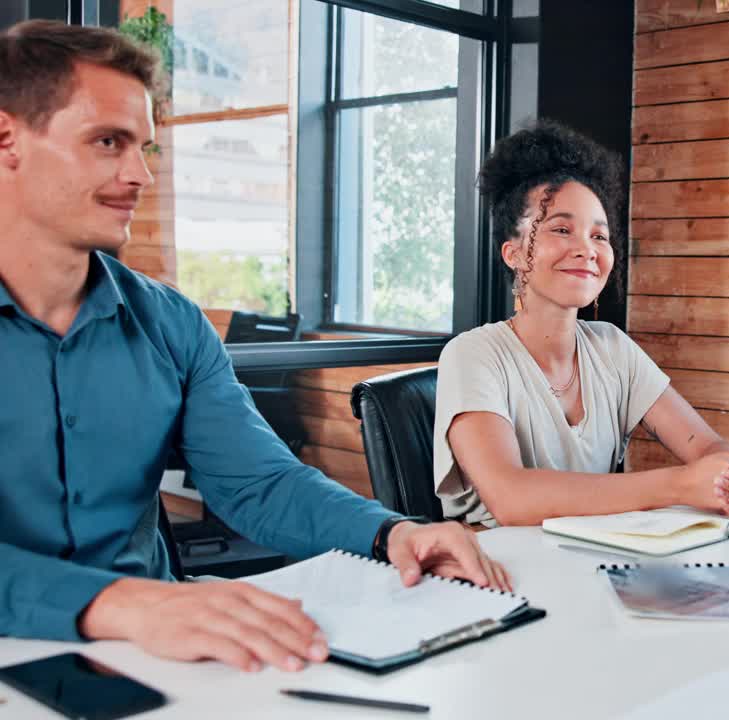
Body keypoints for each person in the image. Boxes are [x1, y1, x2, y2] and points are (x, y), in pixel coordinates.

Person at [0, 20, 509, 674]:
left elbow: (259, 485)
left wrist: (392, 534)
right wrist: (122, 604)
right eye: (107, 142)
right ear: (8, 139)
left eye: (144, 148)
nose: (139, 176)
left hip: (159, 657)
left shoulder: (171, 325)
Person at [434, 122, 729, 527]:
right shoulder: (473, 355)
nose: (587, 250)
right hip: (501, 574)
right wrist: (679, 484)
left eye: (600, 236)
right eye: (561, 229)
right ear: (514, 253)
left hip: (592, 564)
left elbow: (704, 444)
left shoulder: (611, 346)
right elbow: (511, 498)